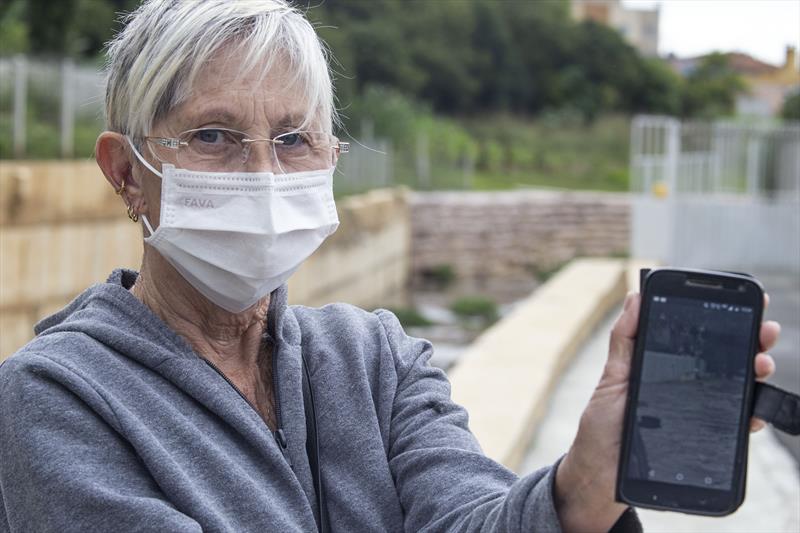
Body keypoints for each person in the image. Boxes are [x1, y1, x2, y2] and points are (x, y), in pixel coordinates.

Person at [0, 1, 779, 532]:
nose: (265, 176)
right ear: (126, 170)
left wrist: (585, 481)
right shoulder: (54, 399)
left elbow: (471, 517)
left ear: (331, 159)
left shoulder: (376, 359)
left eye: (294, 139)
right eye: (213, 136)